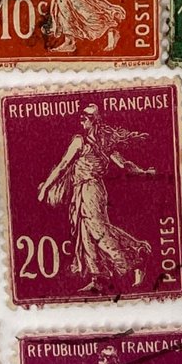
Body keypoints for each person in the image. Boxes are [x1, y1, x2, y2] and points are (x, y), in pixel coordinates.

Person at [37, 104, 156, 292]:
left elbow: (63, 165)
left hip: (91, 190)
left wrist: (45, 187)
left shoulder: (88, 142)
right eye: (81, 117)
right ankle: (99, 278)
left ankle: (135, 259)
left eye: (85, 117)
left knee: (98, 230)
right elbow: (63, 165)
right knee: (86, 233)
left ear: (95, 121)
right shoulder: (89, 142)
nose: (81, 120)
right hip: (82, 190)